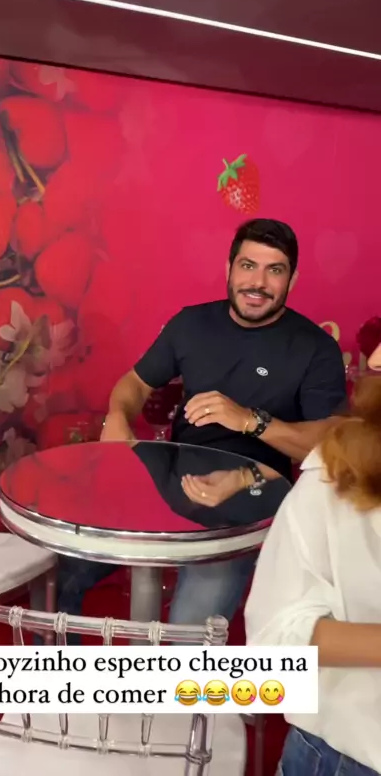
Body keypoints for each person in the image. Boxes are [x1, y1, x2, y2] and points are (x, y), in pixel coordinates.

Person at [55, 218, 347, 630]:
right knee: (66, 575)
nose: (258, 282)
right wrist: (117, 417)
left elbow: (329, 443)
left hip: (253, 502)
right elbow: (134, 383)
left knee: (187, 631)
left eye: (274, 270)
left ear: (292, 279)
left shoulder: (315, 348)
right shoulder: (191, 324)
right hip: (172, 486)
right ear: (229, 268)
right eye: (248, 266)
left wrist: (249, 421)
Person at [244, 343, 381, 775]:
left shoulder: (310, 348)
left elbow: (307, 436)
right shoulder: (344, 470)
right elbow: (273, 638)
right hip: (351, 754)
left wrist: (252, 425)